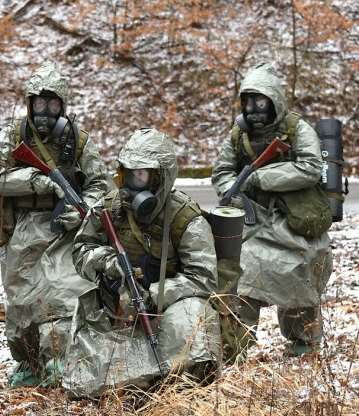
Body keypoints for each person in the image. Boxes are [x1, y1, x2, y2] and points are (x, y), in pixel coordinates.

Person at [64, 128, 221, 398]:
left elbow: (203, 277)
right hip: (118, 307)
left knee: (193, 317)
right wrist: (109, 263)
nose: (134, 182)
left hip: (166, 310)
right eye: (130, 174)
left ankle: (174, 379)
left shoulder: (185, 218)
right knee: (87, 382)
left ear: (160, 178)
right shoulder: (110, 208)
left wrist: (157, 294)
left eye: (143, 174)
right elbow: (81, 250)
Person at [0, 61, 108, 388]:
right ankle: (28, 363)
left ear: (63, 105)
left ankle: (63, 359)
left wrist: (82, 212)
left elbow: (100, 184)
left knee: (66, 296)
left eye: (53, 104)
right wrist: (34, 181)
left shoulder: (79, 141)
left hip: (64, 230)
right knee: (21, 302)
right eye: (38, 103)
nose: (45, 112)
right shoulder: (13, 135)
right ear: (29, 104)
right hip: (23, 227)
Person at [212, 62, 333, 359]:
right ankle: (234, 345)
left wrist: (260, 177)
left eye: (260, 100)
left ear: (274, 100)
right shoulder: (238, 135)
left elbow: (310, 168)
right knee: (242, 276)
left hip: (296, 219)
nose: (253, 108)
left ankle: (304, 344)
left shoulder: (297, 129)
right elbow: (221, 172)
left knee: (299, 277)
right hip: (256, 220)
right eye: (248, 101)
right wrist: (238, 192)